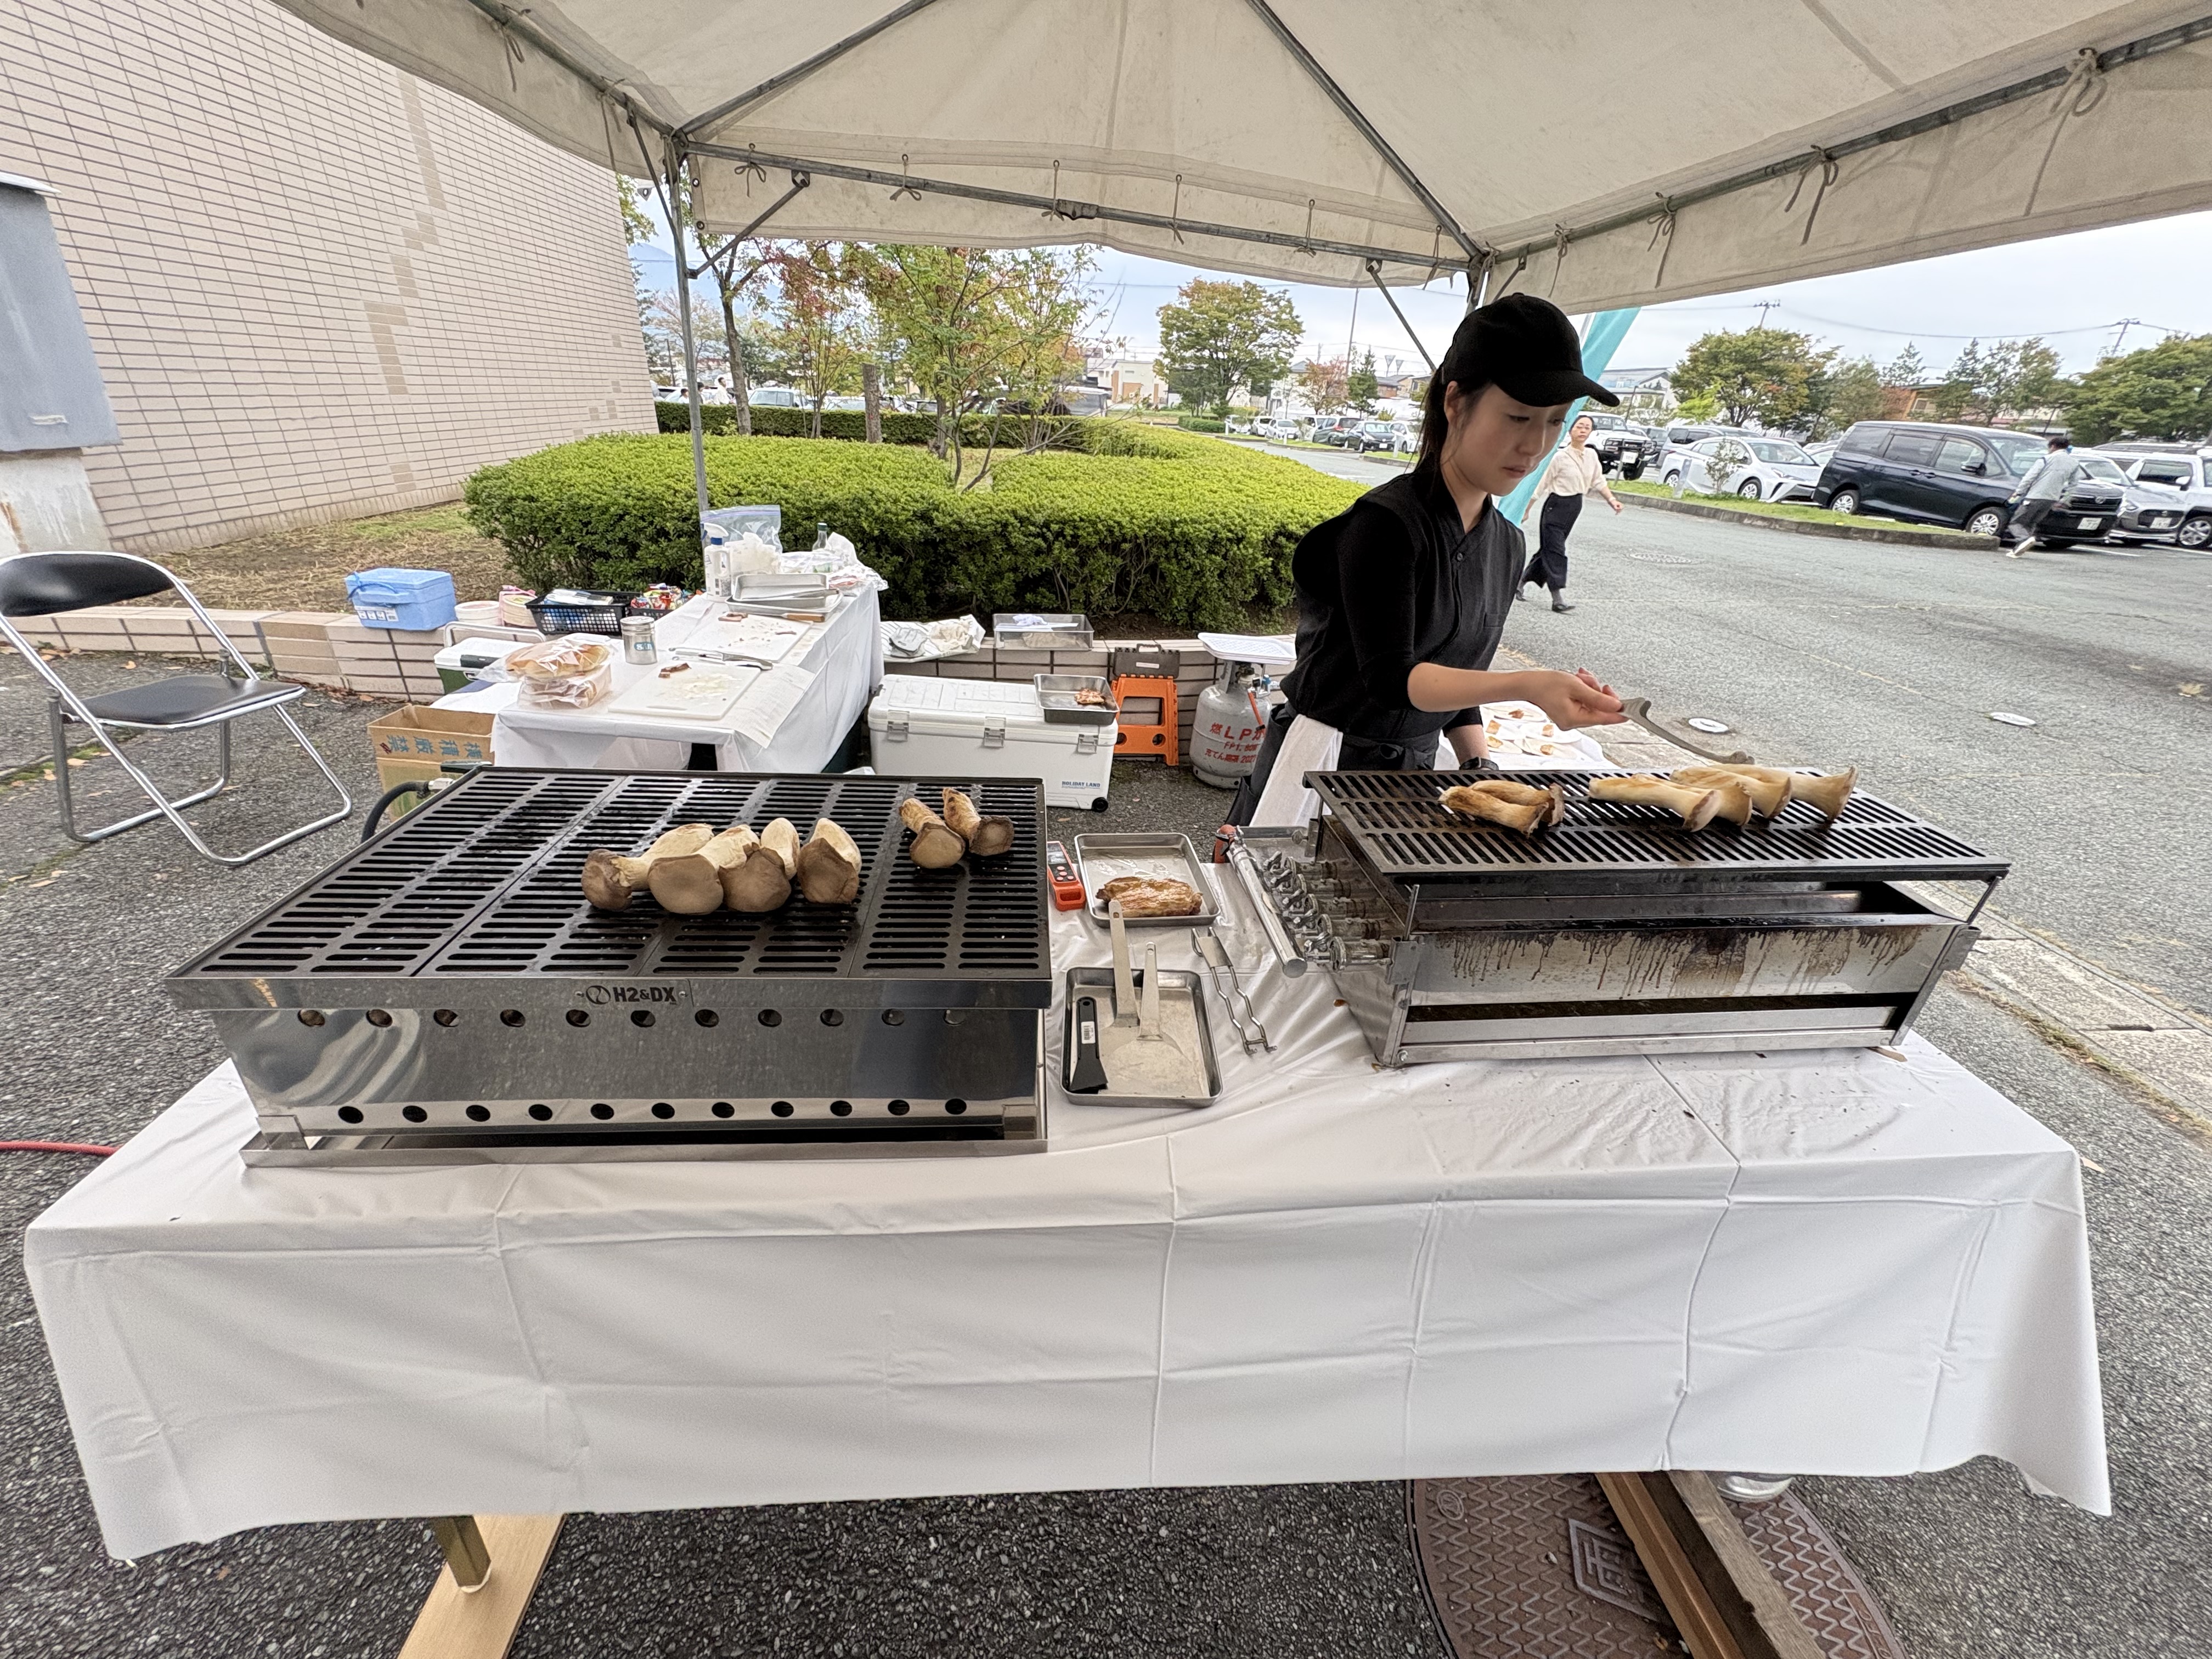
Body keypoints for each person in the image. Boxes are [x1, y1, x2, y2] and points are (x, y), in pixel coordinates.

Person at [1228, 294, 1628, 829]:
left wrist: (1477, 764)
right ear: (1456, 403)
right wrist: (1531, 685)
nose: (1535, 444)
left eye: (1555, 421)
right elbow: (1395, 679)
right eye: (1517, 416)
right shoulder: (1385, 525)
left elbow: (1458, 679)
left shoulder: (1506, 544)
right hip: (1321, 758)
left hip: (1414, 770)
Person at [1519, 412, 1622, 611]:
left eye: (1587, 428)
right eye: (1579, 426)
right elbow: (1541, 485)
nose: (1583, 431)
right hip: (1555, 507)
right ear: (1571, 429)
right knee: (1557, 551)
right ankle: (1557, 598)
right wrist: (1527, 509)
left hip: (1574, 507)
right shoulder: (1560, 456)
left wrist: (1612, 500)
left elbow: (1598, 481)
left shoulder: (1591, 455)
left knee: (1549, 549)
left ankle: (1520, 583)